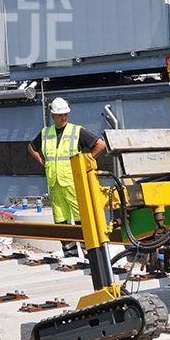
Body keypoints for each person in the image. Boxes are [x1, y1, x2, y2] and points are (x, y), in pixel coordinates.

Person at [27, 97, 107, 257]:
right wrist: (43, 162)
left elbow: (101, 145)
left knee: (81, 218)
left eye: (65, 114)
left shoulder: (76, 131)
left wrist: (87, 162)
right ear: (53, 116)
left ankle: (89, 253)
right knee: (60, 219)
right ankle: (70, 254)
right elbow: (31, 147)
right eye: (60, 115)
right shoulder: (45, 133)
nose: (63, 117)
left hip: (74, 183)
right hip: (55, 183)